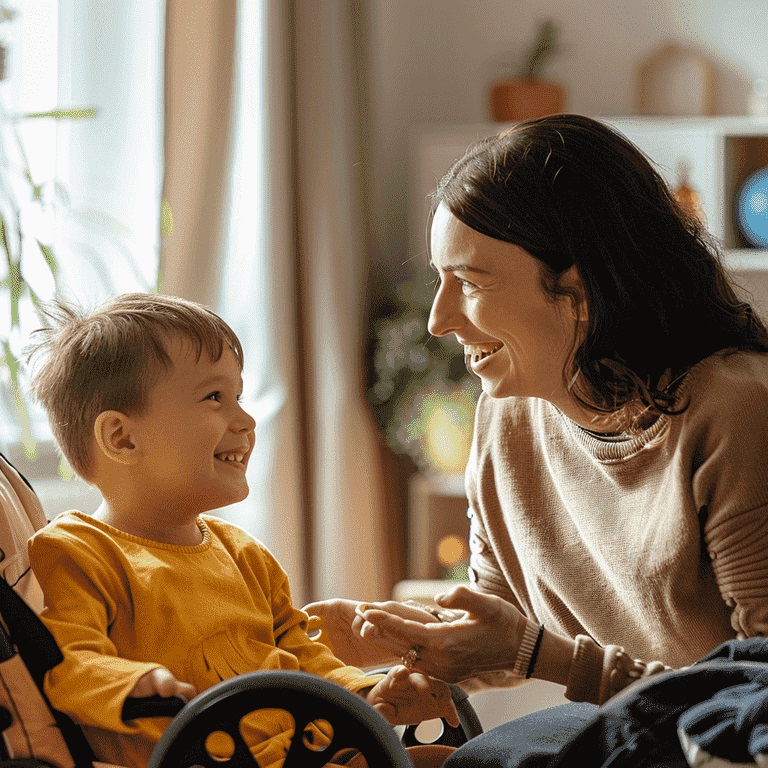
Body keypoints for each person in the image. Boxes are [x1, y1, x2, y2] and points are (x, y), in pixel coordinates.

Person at [305, 114, 768, 765]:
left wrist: (534, 654)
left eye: (467, 283)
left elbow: (755, 699)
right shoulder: (509, 410)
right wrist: (390, 645)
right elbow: (499, 623)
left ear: (577, 290)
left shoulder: (737, 413)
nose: (439, 320)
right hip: (624, 734)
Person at [25, 293, 458, 768]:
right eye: (214, 397)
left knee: (450, 758)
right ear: (122, 438)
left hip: (304, 752)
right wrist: (135, 685)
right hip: (206, 759)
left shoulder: (242, 553)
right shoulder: (79, 551)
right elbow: (68, 662)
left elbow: (301, 656)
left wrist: (365, 690)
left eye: (239, 396)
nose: (247, 421)